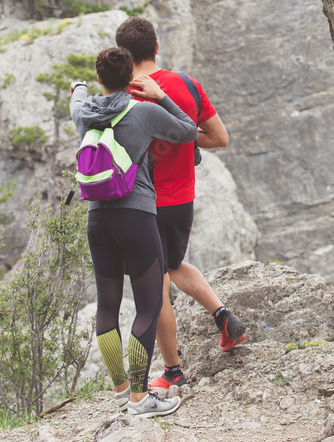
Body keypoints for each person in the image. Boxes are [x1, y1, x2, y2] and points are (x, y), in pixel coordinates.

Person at [116, 17, 246, 392]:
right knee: (171, 264)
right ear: (156, 47)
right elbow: (219, 138)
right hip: (183, 199)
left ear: (124, 54)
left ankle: (172, 371)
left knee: (154, 289)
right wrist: (184, 139)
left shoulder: (122, 94)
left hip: (143, 203)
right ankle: (223, 315)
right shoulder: (187, 85)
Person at [69, 46, 197, 418]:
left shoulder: (83, 112)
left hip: (98, 220)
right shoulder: (142, 111)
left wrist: (79, 87)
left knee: (107, 306)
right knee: (149, 305)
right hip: (136, 216)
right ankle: (142, 397)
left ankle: (122, 391)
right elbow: (188, 131)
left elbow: (75, 96)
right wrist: (161, 96)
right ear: (131, 79)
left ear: (99, 79)